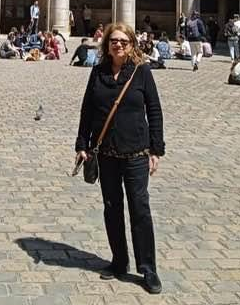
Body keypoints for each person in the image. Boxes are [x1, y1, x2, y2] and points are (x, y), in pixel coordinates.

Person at [75, 23, 164, 294]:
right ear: (106, 44)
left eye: (124, 41)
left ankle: (148, 269)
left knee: (140, 210)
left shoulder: (142, 72)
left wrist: (156, 150)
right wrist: (82, 145)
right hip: (107, 154)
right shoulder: (98, 72)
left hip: (136, 153)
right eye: (114, 40)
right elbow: (87, 109)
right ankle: (119, 261)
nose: (119, 45)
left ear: (132, 44)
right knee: (112, 208)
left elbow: (154, 110)